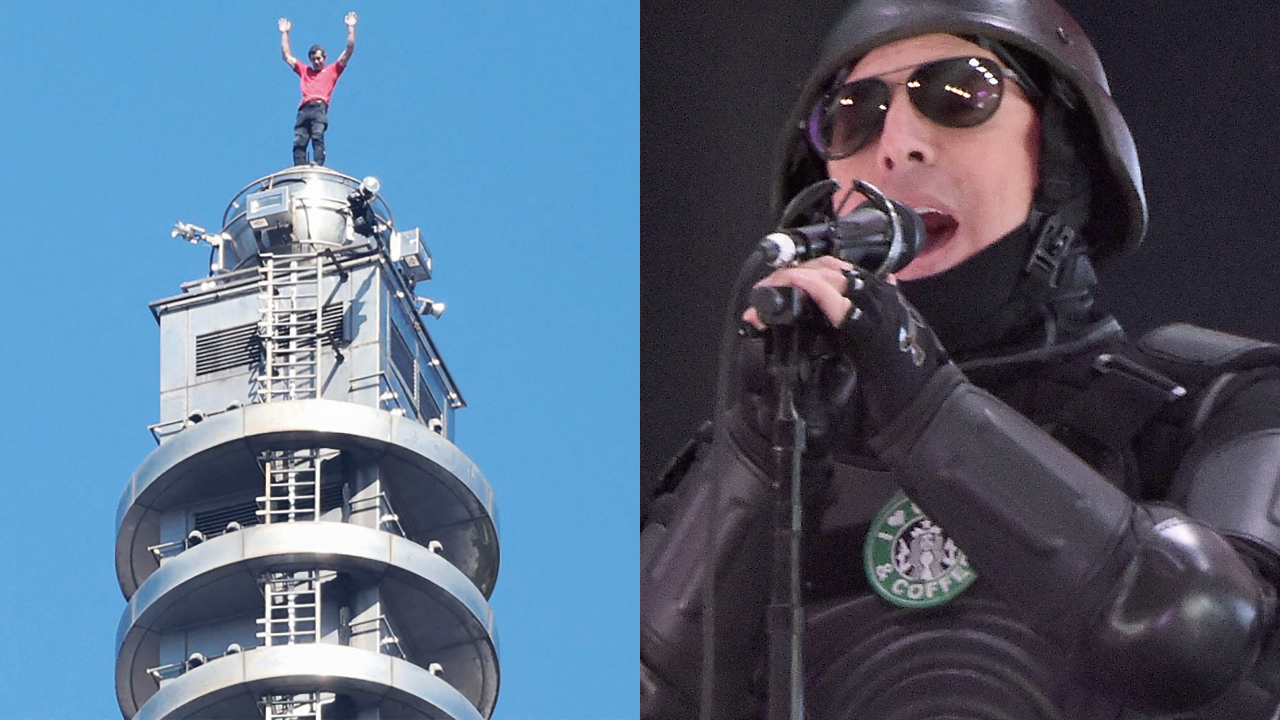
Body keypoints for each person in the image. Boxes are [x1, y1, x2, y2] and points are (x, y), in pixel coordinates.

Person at [640, 1, 1280, 718]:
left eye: (959, 92)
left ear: (1061, 156)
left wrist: (926, 407)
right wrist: (757, 460)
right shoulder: (758, 454)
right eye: (854, 115)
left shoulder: (1221, 401)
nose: (897, 144)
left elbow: (1215, 645)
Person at [278, 12, 357, 167]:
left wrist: (350, 27)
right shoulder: (305, 70)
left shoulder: (332, 70)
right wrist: (285, 33)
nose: (316, 62)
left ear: (324, 58)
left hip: (319, 107)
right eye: (313, 59)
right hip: (304, 109)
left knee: (317, 136)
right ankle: (299, 168)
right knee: (299, 141)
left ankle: (318, 163)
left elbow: (349, 50)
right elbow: (286, 56)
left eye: (319, 58)